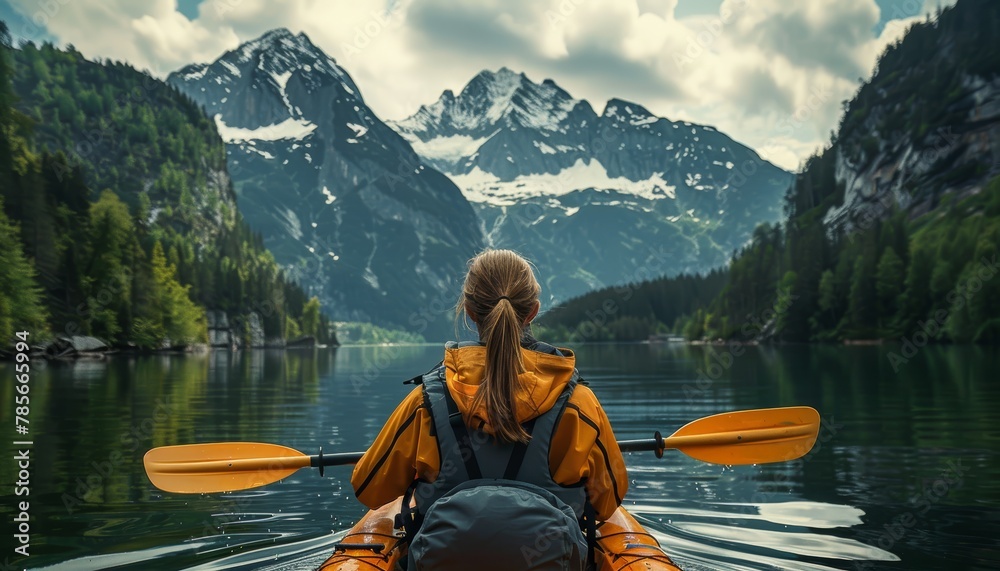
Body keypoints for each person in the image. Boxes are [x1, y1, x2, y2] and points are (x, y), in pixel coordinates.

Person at [351, 249, 628, 570]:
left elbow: (369, 490)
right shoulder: (579, 403)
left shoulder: (426, 400)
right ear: (533, 312)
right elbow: (608, 502)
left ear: (469, 312)